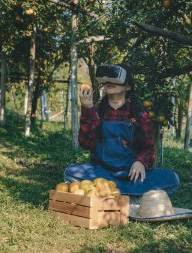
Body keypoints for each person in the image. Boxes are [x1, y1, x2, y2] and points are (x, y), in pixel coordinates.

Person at [64, 64, 180, 203]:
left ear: (128, 87)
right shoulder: (96, 112)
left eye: (115, 79)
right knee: (70, 172)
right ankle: (132, 198)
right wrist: (87, 109)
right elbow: (86, 143)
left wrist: (141, 162)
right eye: (107, 81)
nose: (109, 83)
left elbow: (149, 148)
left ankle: (111, 196)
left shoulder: (140, 115)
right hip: (101, 174)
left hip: (131, 175)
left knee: (173, 178)